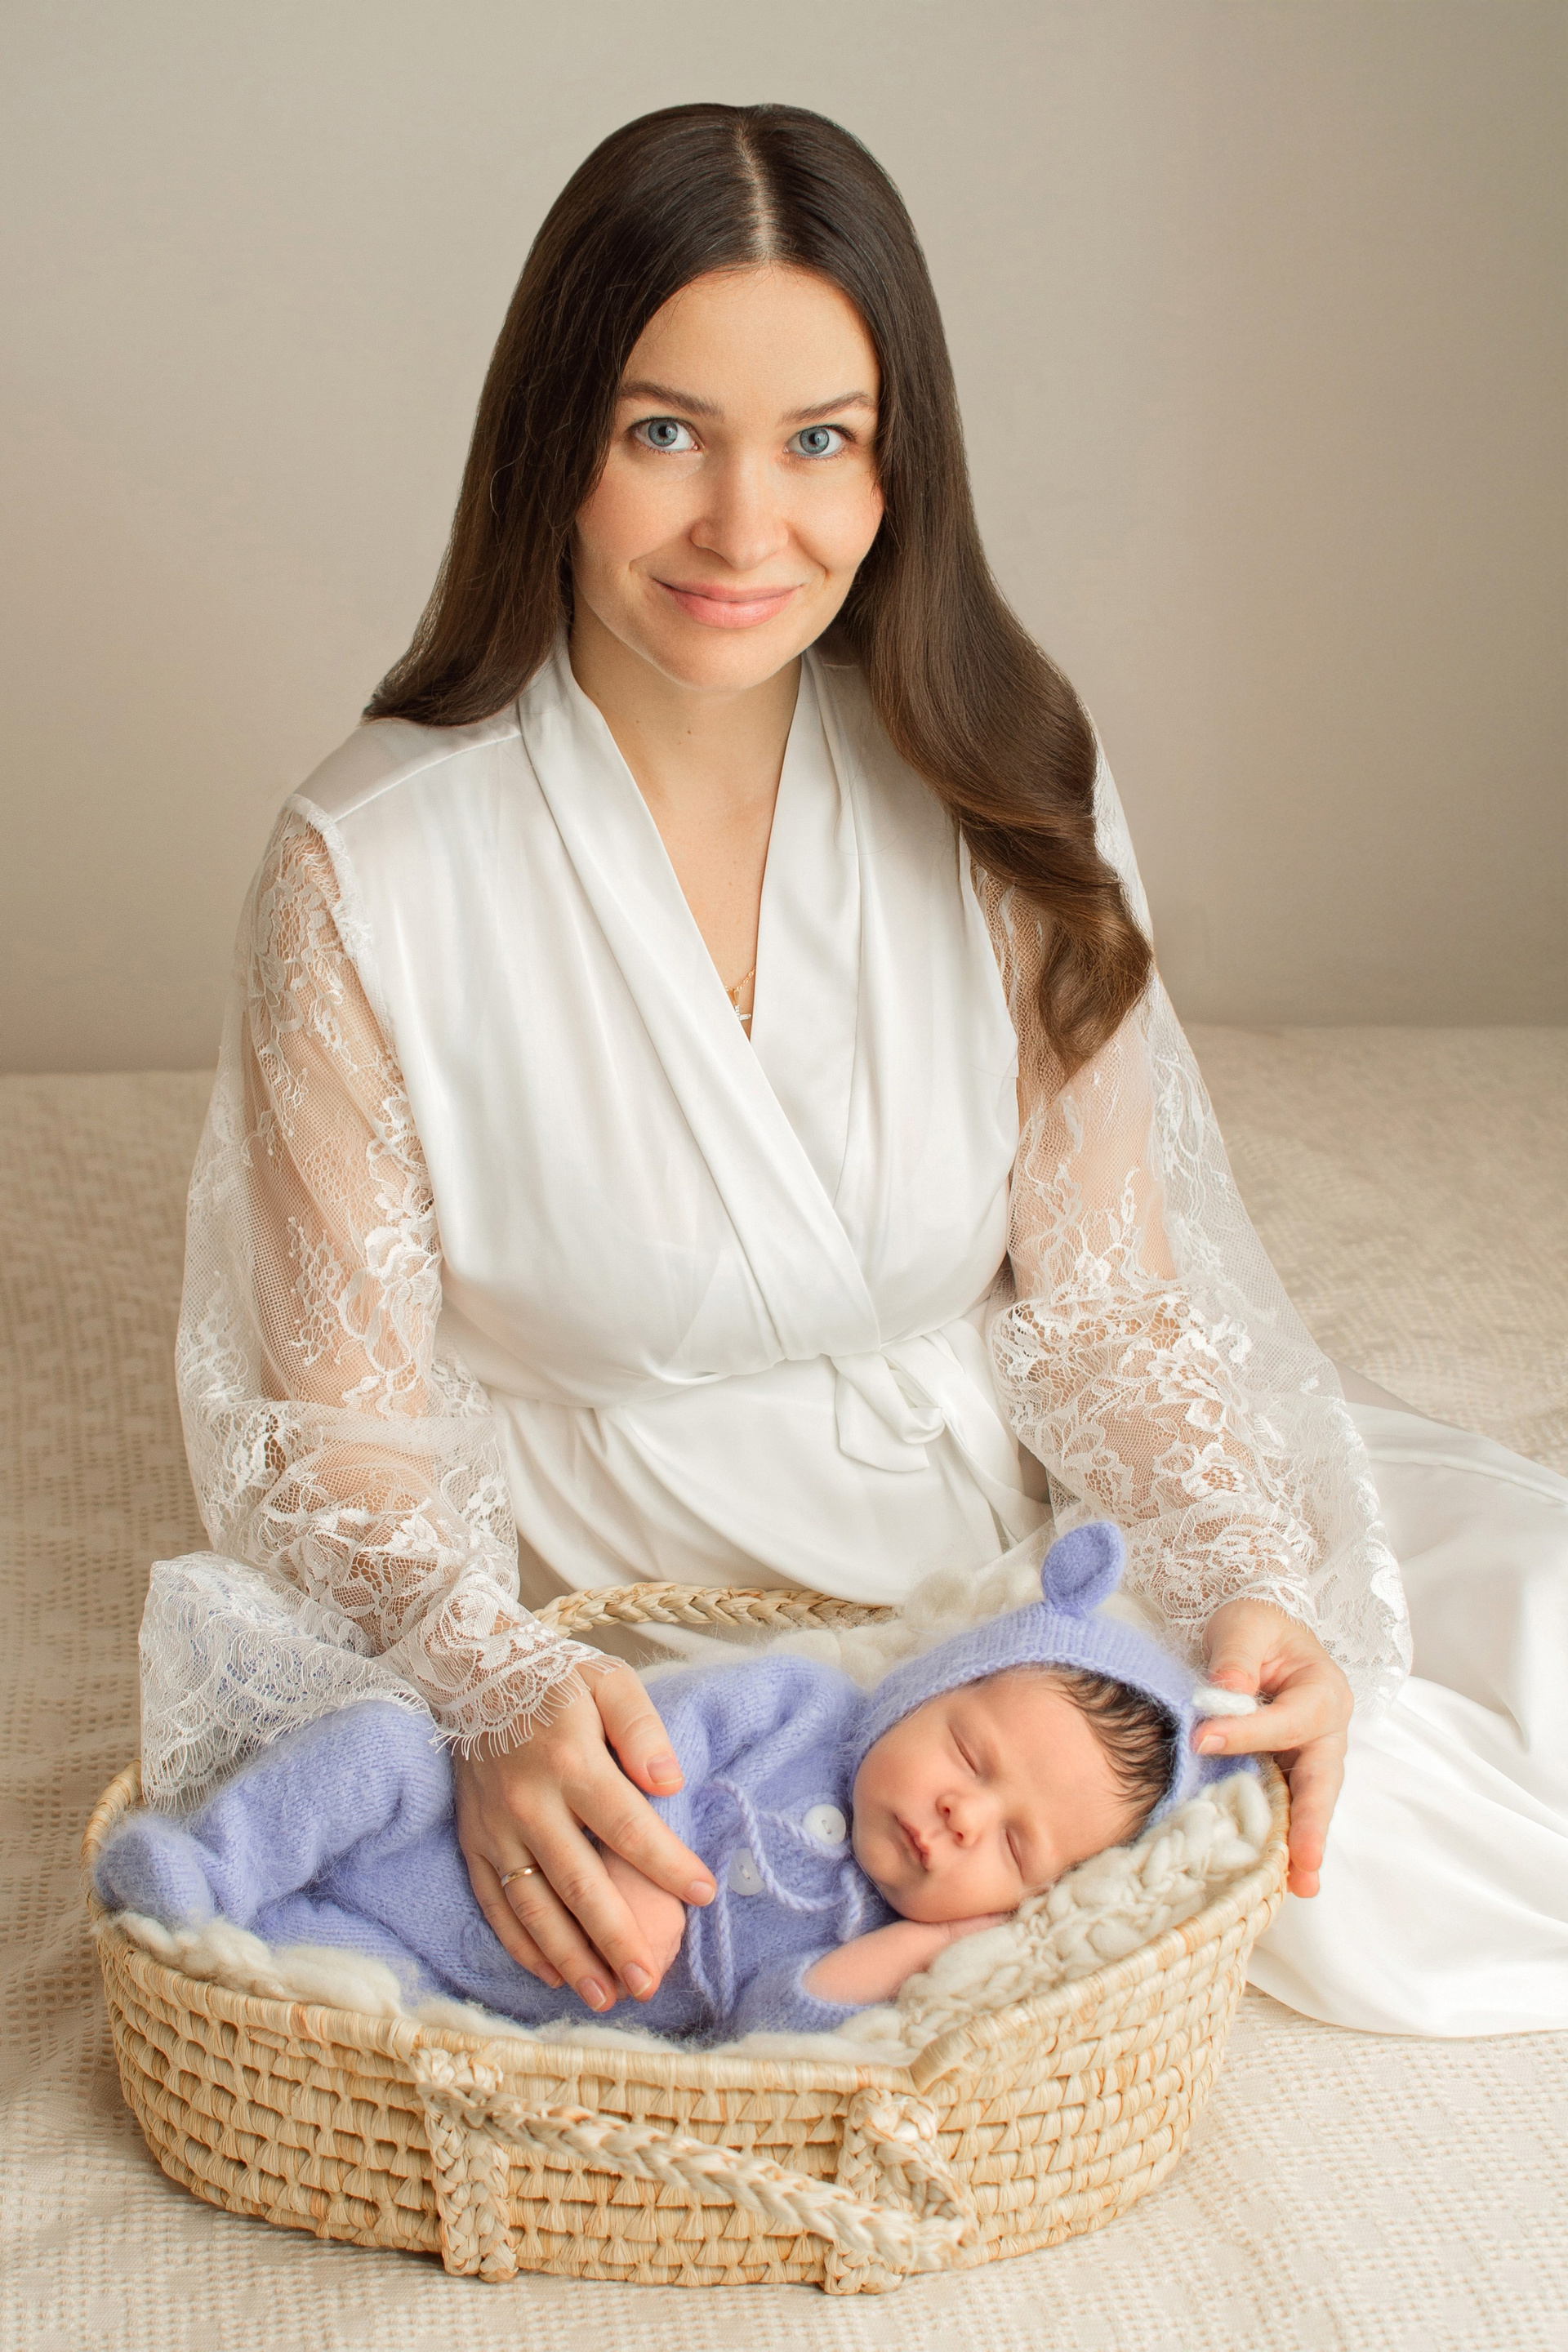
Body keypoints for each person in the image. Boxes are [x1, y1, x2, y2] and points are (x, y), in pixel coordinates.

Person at [152, 101, 1566, 2036]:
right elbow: (346, 1437)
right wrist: (484, 1685)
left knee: (1492, 1652)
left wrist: (1247, 1582)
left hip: (1030, 1591)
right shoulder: (363, 875)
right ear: (554, 439)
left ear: (902, 465)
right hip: (669, 1649)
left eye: (821, 441)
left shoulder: (997, 777)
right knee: (1369, 1905)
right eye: (667, 433)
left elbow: (1114, 1308)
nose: (749, 530)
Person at [105, 1526, 1247, 2039]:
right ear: (920, 1691)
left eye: (1014, 1847)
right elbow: (665, 1737)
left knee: (353, 2004)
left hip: (482, 1995)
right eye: (970, 1755)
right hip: (456, 1835)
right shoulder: (801, 1704)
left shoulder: (879, 1936)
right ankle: (209, 1866)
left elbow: (775, 2025)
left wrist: (926, 1947)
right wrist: (640, 1857)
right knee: (379, 1749)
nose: (963, 1814)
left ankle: (238, 1944)